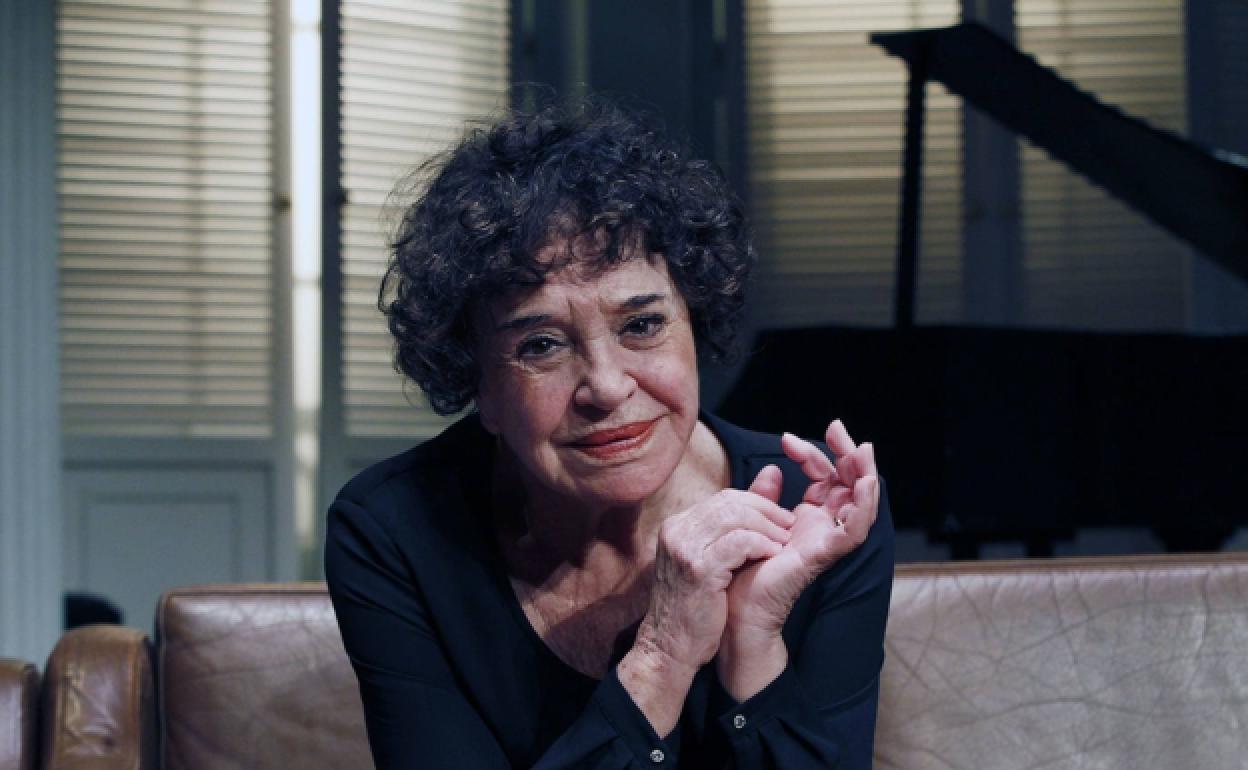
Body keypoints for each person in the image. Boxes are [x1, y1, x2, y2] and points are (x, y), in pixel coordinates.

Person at [325, 97, 894, 769]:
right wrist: (662, 656)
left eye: (642, 326)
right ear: (478, 384)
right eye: (541, 345)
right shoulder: (396, 531)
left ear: (694, 321)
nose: (606, 386)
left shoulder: (815, 512)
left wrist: (753, 645)